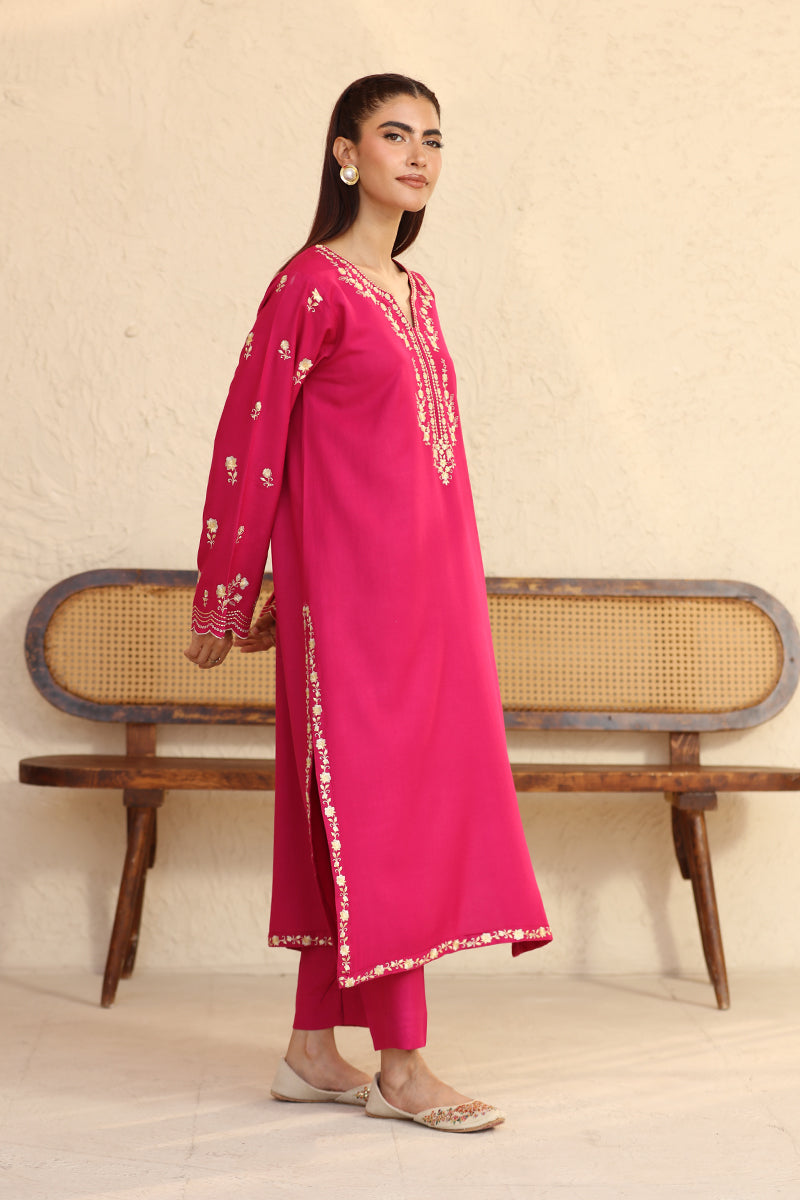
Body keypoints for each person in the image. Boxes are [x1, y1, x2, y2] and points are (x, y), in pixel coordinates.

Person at [184, 73, 551, 1133]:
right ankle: (401, 1068)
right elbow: (250, 441)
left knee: (376, 811)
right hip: (345, 603)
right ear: (345, 153)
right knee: (381, 813)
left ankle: (310, 1051)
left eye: (432, 138)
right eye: (394, 134)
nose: (417, 154)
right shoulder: (309, 286)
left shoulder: (415, 291)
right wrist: (228, 590)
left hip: (430, 600)